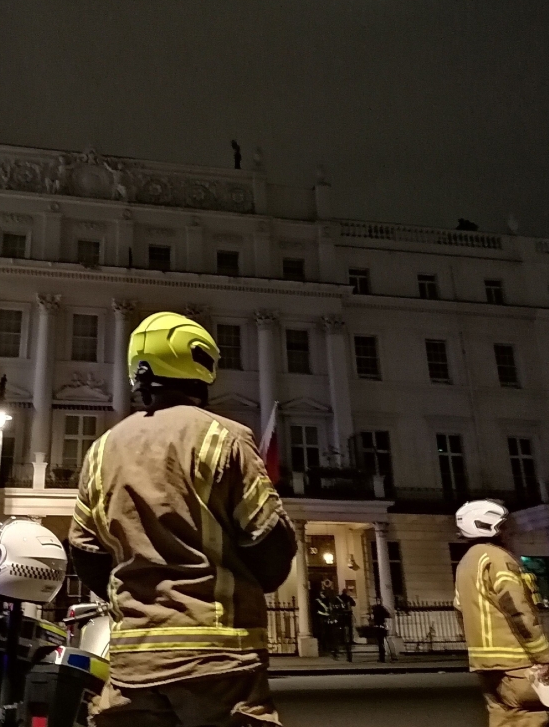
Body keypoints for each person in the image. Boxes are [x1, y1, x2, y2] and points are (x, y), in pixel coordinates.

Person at [68, 311, 297, 727]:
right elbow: (269, 544)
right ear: (201, 366)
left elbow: (86, 553)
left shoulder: (102, 449)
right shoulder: (224, 437)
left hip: (131, 664)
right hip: (218, 662)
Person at [454, 500, 549, 727]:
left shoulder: (466, 562)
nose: (511, 531)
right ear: (491, 527)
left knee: (503, 718)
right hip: (516, 660)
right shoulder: (498, 558)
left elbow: (460, 611)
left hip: (485, 663)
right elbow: (517, 610)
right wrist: (544, 656)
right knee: (535, 718)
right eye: (505, 525)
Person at [337, 586, 356, 662]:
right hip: (346, 615)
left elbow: (353, 604)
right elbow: (354, 604)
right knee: (349, 628)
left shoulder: (340, 598)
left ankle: (343, 640)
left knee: (343, 628)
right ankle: (350, 640)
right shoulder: (347, 598)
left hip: (342, 615)